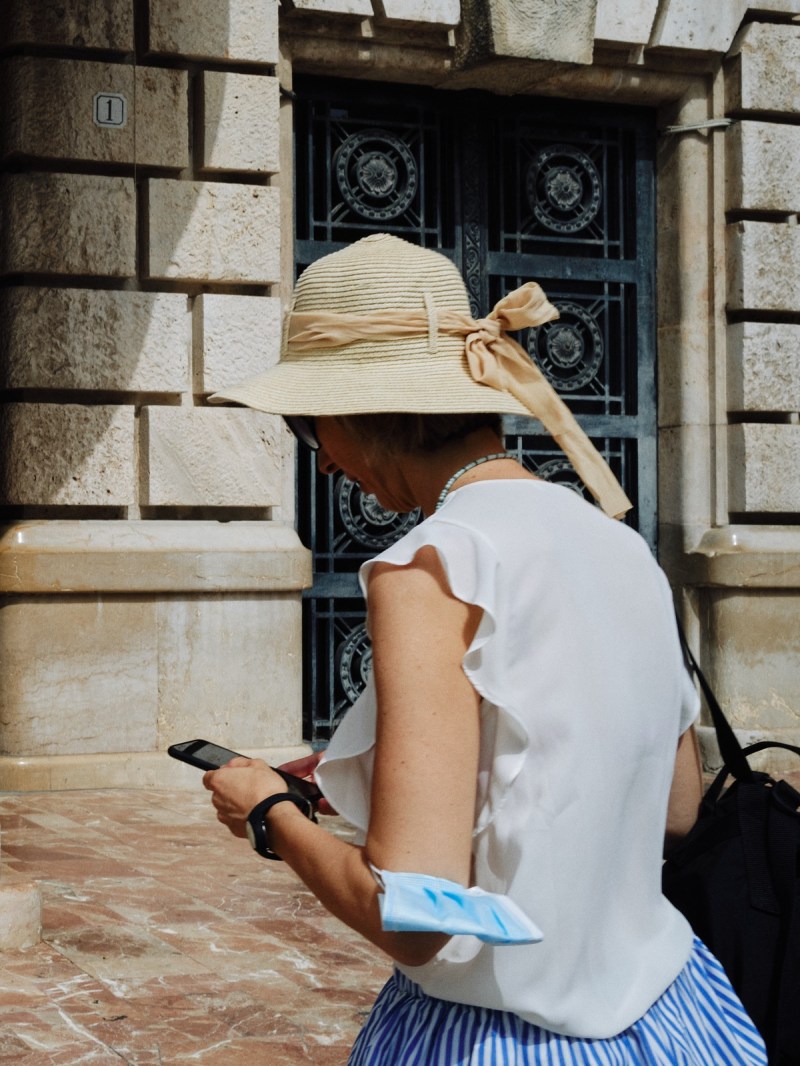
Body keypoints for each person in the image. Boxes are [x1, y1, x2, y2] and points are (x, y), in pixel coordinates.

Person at [202, 234, 765, 1063]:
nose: (323, 464)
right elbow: (677, 813)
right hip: (675, 1016)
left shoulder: (431, 565)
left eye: (309, 429)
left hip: (500, 1034)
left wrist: (267, 811)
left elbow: (414, 916)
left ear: (355, 411)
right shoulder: (620, 542)